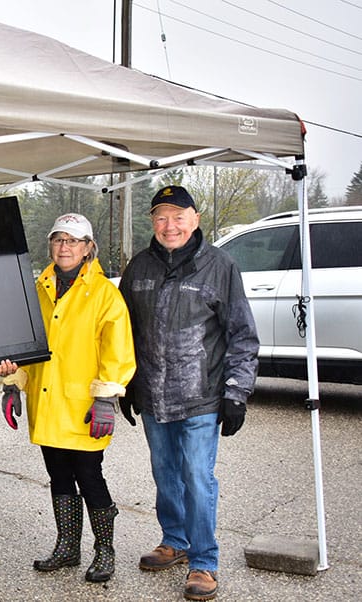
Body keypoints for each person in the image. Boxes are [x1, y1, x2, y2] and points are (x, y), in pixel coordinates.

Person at [118, 185, 259, 601]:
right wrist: (126, 383)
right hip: (153, 397)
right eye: (162, 217)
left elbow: (243, 335)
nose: (170, 225)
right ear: (153, 223)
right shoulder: (139, 267)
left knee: (197, 476)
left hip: (201, 394)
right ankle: (174, 540)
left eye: (179, 216)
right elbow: (122, 332)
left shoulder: (219, 265)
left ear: (195, 219)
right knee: (165, 475)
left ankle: (204, 562)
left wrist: (237, 392)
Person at [0, 213, 135, 584]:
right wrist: (12, 382)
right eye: (58, 239)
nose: (64, 247)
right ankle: (68, 546)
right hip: (47, 401)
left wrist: (106, 398)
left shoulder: (105, 294)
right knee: (58, 475)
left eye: (73, 241)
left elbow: (118, 351)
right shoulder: (37, 288)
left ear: (89, 248)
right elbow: (25, 346)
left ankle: (105, 549)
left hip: (84, 407)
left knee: (89, 476)